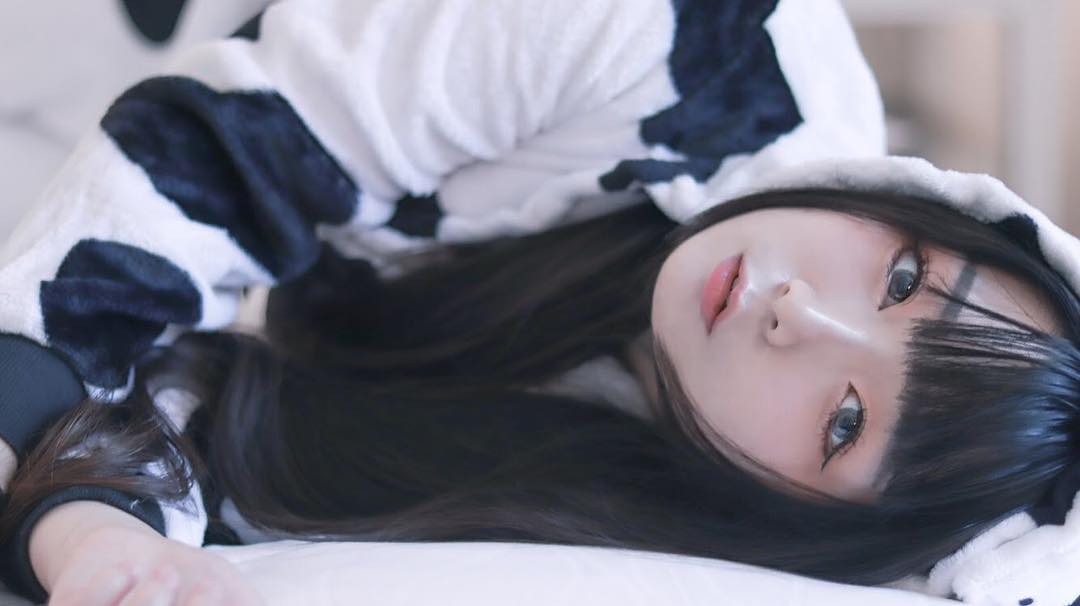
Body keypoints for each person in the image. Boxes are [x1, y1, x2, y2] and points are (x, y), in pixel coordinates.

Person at [0, 0, 1077, 604]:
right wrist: (58, 483)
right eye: (903, 279)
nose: (798, 313)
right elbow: (198, 169)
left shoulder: (672, 483)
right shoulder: (692, 35)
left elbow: (217, 422)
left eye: (844, 422)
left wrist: (96, 521)